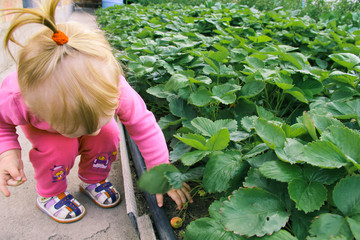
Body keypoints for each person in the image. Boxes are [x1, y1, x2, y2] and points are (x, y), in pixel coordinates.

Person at [0, 0, 192, 223]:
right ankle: (50, 193)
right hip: (46, 131)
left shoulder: (112, 87)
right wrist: (8, 151)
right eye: (76, 128)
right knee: (58, 148)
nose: (90, 133)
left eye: (99, 120)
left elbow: (144, 125)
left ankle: (93, 178)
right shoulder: (17, 98)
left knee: (107, 134)